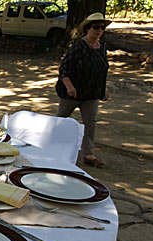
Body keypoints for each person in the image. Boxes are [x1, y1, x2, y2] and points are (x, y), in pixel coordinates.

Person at [55, 12, 110, 168]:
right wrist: (69, 86)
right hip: (72, 92)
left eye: (102, 28)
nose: (99, 30)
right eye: (96, 27)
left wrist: (103, 89)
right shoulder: (79, 46)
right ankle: (50, 145)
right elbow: (64, 68)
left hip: (91, 93)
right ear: (87, 28)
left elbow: (102, 69)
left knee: (90, 123)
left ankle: (89, 154)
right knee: (61, 120)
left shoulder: (102, 47)